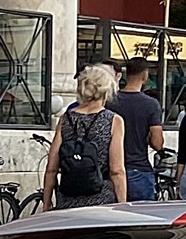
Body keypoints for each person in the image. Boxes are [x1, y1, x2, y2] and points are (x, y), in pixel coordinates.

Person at [41, 63, 127, 210]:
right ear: (106, 91)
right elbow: (116, 170)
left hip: (67, 199)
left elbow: (51, 168)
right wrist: (122, 204)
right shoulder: (113, 120)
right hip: (101, 200)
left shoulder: (65, 119)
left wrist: (47, 201)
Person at [108, 58, 164, 201]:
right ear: (145, 75)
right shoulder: (151, 104)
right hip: (139, 169)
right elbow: (157, 144)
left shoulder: (110, 101)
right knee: (141, 218)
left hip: (110, 170)